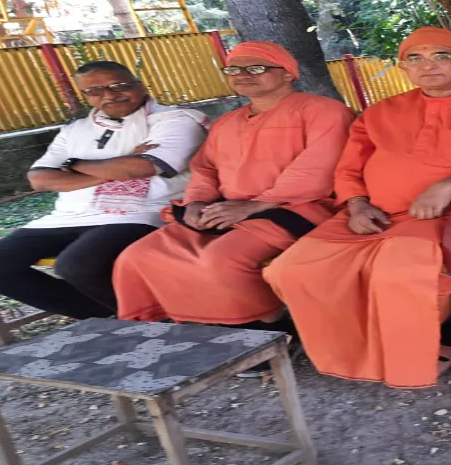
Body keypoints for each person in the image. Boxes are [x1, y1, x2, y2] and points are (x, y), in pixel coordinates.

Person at [264, 27, 451, 389]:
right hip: (375, 214)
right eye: (415, 58)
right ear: (404, 68)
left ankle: (418, 351)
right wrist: (357, 205)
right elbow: (348, 168)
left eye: (441, 56)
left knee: (396, 270)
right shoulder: (380, 113)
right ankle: (351, 353)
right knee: (291, 269)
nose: (428, 66)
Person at [113, 41, 354, 332]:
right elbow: (205, 168)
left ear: (289, 73)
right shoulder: (226, 123)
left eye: (256, 68)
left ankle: (271, 328)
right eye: (234, 69)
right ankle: (195, 327)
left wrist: (255, 205)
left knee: (221, 261)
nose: (242, 75)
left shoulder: (324, 111)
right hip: (226, 209)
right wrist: (196, 202)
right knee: (138, 256)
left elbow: (319, 166)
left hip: (298, 208)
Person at [0, 61, 207, 320]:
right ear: (85, 96)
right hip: (68, 216)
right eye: (95, 91)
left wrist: (73, 165)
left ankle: (155, 318)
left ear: (140, 86)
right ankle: (102, 312)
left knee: (76, 264)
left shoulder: (175, 120)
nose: (109, 95)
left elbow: (143, 167)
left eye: (119, 85)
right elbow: (40, 180)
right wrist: (113, 167)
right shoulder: (75, 130)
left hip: (139, 213)